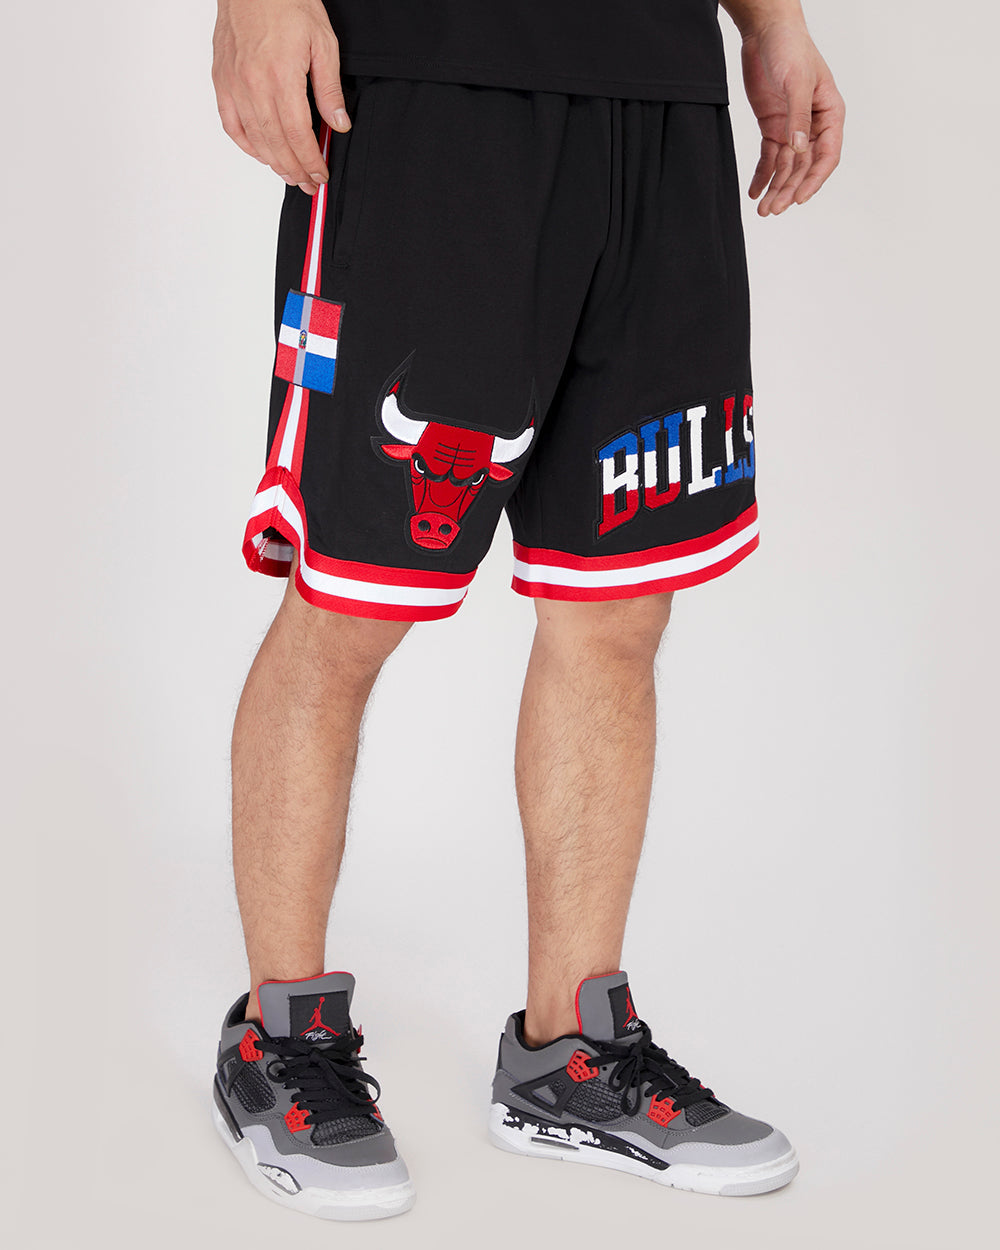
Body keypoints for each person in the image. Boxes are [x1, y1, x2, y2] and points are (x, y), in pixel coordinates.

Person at [209, 0, 844, 1221]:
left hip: (658, 99)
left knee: (620, 604)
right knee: (351, 600)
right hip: (429, 81)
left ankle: (572, 1055)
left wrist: (772, 23)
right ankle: (278, 1040)